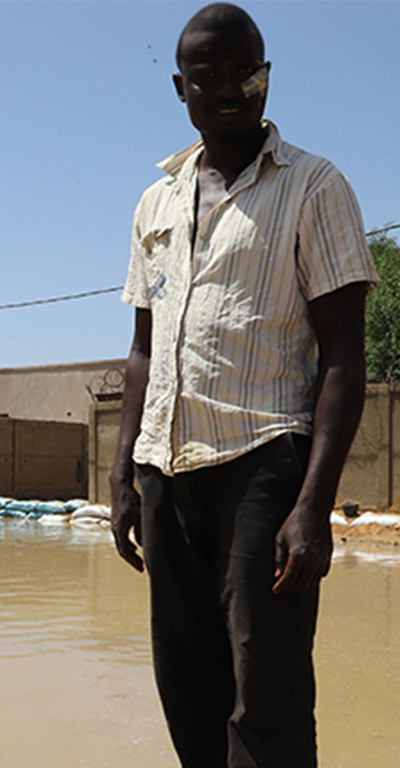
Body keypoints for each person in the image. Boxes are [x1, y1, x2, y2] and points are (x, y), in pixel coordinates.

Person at [109, 4, 378, 767]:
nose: (230, 88)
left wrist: (313, 506)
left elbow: (343, 358)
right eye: (209, 76)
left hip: (265, 463)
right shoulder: (154, 203)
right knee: (186, 688)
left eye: (245, 72)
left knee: (267, 695)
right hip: (166, 471)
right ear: (180, 87)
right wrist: (125, 470)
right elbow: (143, 349)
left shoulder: (316, 187)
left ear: (267, 76)